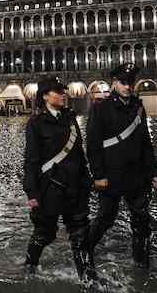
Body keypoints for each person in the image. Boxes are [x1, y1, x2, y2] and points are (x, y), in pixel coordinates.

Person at [85, 63, 157, 269]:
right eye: (123, 82)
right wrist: (98, 175)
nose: (128, 87)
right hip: (111, 175)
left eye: (131, 83)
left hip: (137, 176)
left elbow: (146, 142)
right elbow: (93, 146)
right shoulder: (100, 108)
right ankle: (83, 250)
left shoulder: (138, 108)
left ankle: (141, 265)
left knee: (141, 221)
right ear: (114, 83)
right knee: (105, 218)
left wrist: (154, 173)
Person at [22, 76, 95, 280]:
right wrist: (32, 193)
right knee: (45, 233)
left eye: (64, 91)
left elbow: (79, 152)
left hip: (76, 187)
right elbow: (31, 160)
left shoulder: (70, 119)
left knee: (80, 235)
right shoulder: (36, 123)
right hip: (51, 188)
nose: (64, 94)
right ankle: (30, 268)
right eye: (58, 91)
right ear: (45, 96)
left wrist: (87, 180)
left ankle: (89, 279)